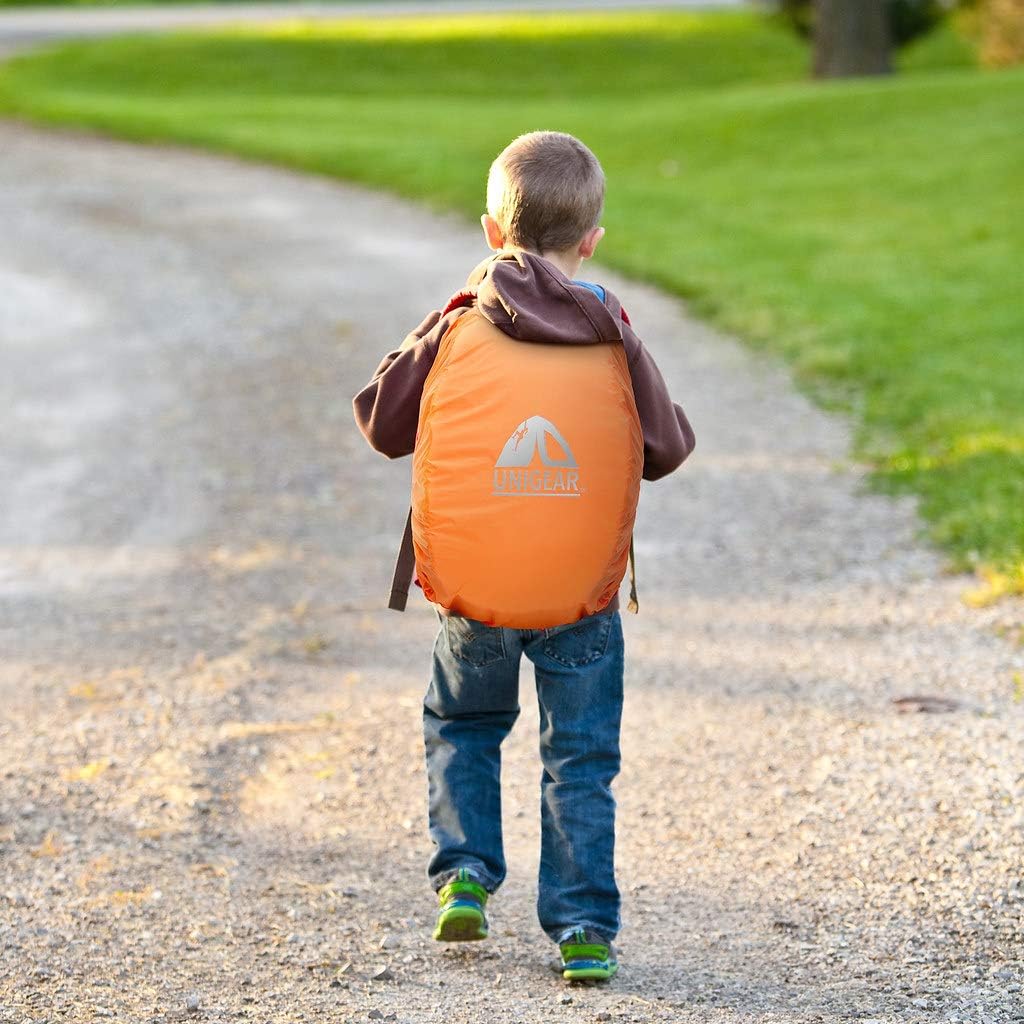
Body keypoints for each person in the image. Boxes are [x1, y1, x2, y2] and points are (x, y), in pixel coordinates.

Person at [352, 131, 695, 982]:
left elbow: (381, 422)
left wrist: (441, 319)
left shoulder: (461, 322)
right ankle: (582, 929)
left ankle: (465, 874)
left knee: (464, 725)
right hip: (581, 597)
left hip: (477, 595)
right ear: (592, 240)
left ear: (490, 232)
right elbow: (667, 447)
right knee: (578, 758)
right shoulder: (610, 327)